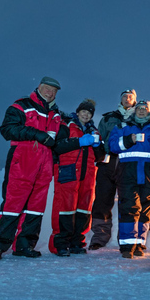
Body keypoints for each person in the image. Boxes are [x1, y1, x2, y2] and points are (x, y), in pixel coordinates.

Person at [0, 76, 64, 260]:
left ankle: (24, 246)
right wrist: (36, 134)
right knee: (13, 205)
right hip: (22, 162)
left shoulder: (56, 115)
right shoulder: (22, 105)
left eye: (54, 91)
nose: (50, 93)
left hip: (44, 166)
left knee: (35, 208)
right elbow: (7, 129)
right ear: (39, 87)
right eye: (47, 88)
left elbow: (57, 142)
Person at [49, 99, 104, 257]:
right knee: (65, 207)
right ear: (78, 112)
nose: (86, 114)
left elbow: (100, 156)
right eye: (84, 111)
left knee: (83, 208)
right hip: (68, 170)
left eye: (89, 113)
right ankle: (60, 243)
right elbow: (58, 146)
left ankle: (77, 242)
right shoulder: (67, 125)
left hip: (87, 173)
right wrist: (78, 142)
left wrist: (98, 145)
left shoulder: (94, 131)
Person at [108, 100, 150, 258]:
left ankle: (139, 243)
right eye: (139, 109)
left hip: (149, 173)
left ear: (149, 111)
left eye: (145, 109)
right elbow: (112, 146)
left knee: (145, 207)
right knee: (129, 207)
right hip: (127, 172)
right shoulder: (123, 127)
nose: (142, 111)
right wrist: (129, 139)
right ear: (134, 110)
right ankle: (126, 246)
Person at [89, 89, 137, 250]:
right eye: (124, 96)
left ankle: (125, 238)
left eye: (130, 97)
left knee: (127, 201)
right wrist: (100, 155)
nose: (127, 99)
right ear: (120, 99)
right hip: (108, 162)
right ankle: (99, 237)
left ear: (134, 100)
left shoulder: (139, 118)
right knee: (102, 200)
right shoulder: (109, 118)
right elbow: (99, 139)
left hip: (128, 164)